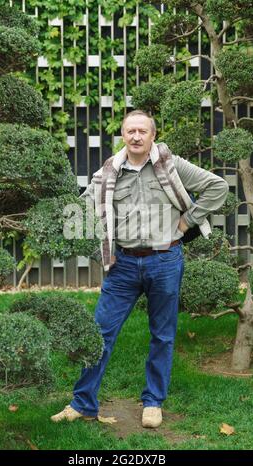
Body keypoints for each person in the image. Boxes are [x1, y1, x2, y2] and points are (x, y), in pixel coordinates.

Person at [51, 110, 229, 428]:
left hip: (165, 261)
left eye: (142, 131)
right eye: (130, 131)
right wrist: (99, 252)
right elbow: (78, 212)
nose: (136, 136)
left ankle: (153, 402)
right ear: (123, 136)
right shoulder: (108, 173)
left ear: (152, 136)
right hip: (123, 265)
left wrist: (188, 220)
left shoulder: (171, 166)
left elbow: (217, 187)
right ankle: (82, 403)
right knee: (100, 332)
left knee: (162, 334)